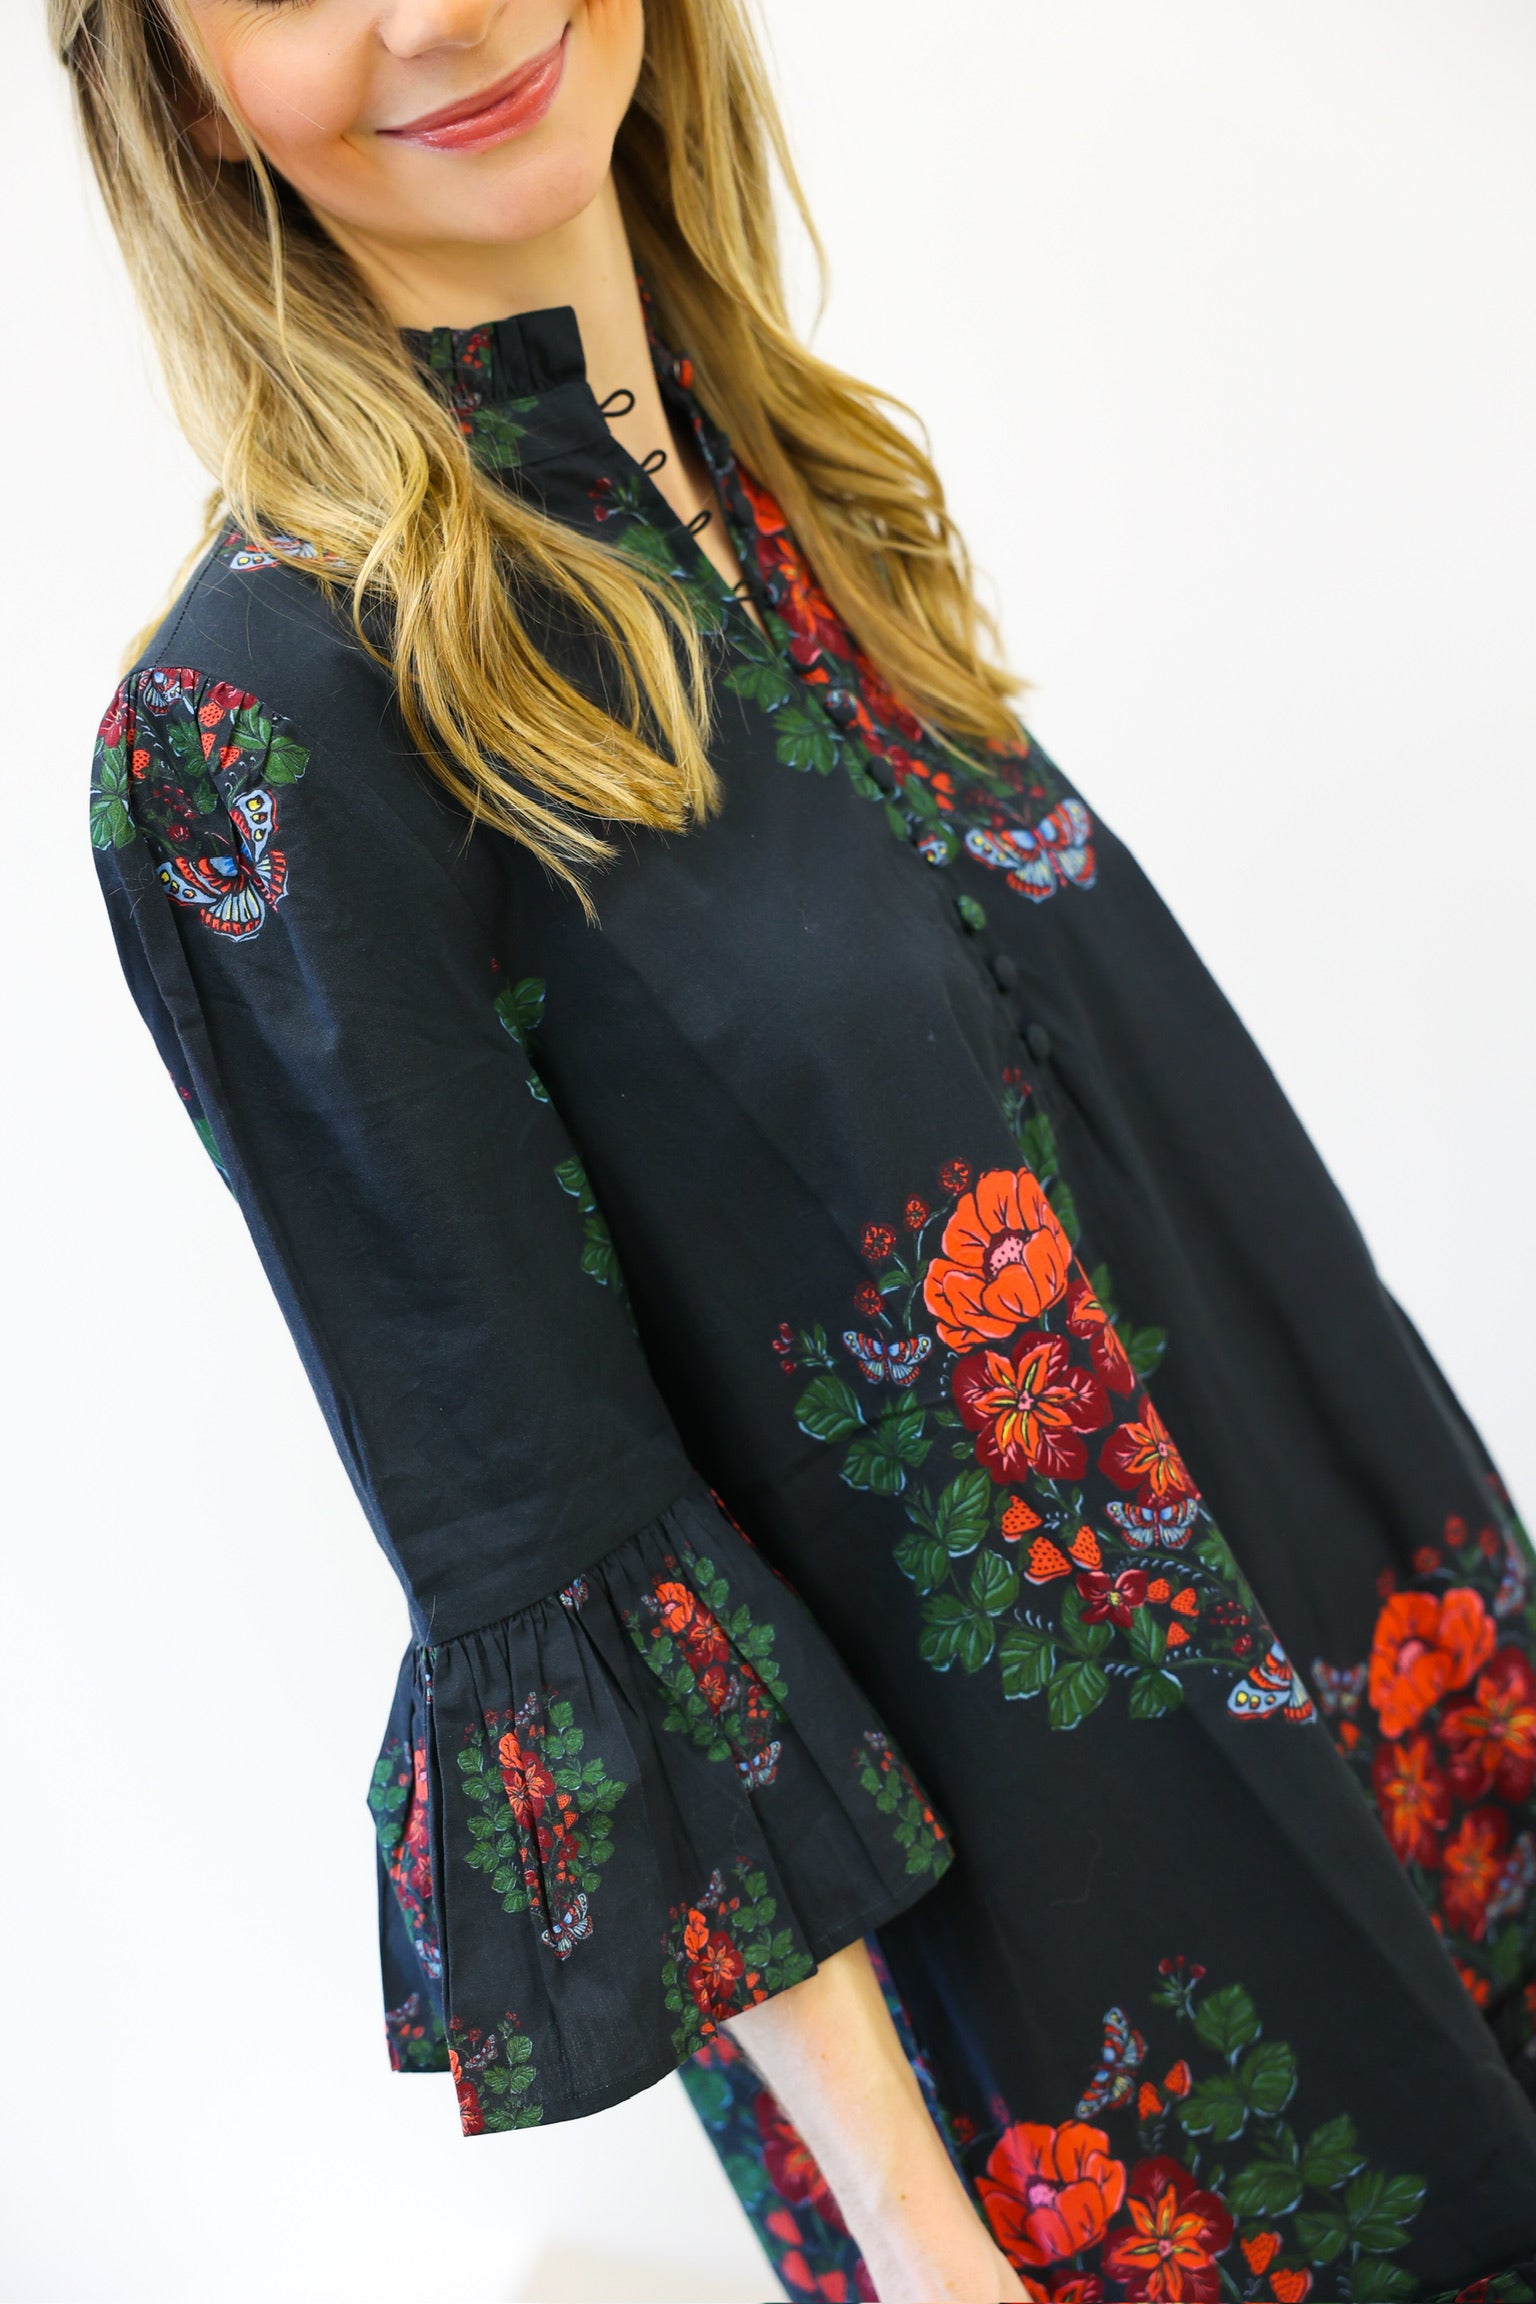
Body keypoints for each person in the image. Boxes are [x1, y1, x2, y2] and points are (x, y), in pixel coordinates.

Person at [58, 0, 1536, 2295]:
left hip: (1436, 1742)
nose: (432, 15)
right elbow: (553, 1550)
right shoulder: (265, 736)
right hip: (1123, 2075)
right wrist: (936, 2261)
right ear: (162, 81)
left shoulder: (770, 475)